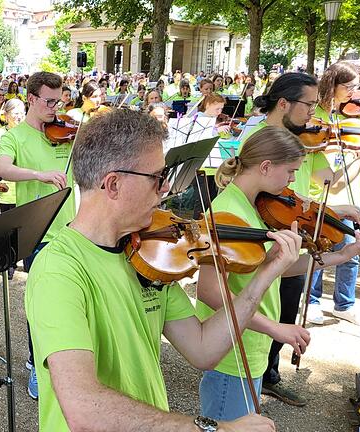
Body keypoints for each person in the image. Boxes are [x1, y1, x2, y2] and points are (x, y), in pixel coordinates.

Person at [26, 109, 301, 432]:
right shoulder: (58, 270)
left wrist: (265, 272)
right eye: (157, 177)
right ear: (113, 184)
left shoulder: (149, 255)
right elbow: (84, 410)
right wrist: (219, 429)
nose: (166, 187)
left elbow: (202, 349)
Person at [197, 126, 360, 421]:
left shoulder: (258, 207)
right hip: (231, 351)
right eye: (291, 171)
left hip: (250, 345)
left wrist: (341, 255)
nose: (293, 181)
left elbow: (279, 268)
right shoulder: (227, 214)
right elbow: (209, 291)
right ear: (266, 167)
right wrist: (274, 327)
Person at [0, 71, 77, 400]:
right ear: (31, 99)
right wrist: (38, 175)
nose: (56, 108)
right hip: (39, 232)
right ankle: (36, 366)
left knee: (71, 301)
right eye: (49, 101)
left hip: (71, 230)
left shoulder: (65, 132)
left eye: (60, 101)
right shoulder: (14, 137)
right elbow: (1, 168)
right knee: (42, 304)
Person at [309, 61, 360, 328]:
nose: (354, 92)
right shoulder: (318, 115)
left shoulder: (356, 114)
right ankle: (313, 300)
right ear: (333, 85)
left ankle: (344, 304)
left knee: (352, 245)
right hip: (325, 187)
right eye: (348, 86)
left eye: (355, 86)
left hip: (350, 184)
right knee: (319, 247)